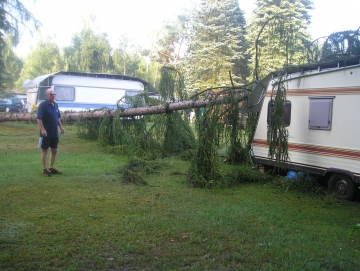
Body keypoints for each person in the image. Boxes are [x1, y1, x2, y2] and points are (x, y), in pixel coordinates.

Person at [36, 88, 65, 176]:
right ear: (46, 96)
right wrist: (42, 129)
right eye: (51, 94)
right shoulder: (43, 105)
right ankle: (45, 170)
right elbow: (39, 118)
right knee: (45, 150)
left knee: (55, 150)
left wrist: (61, 127)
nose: (53, 95)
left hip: (54, 132)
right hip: (46, 132)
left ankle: (51, 168)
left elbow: (58, 118)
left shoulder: (56, 105)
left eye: (54, 94)